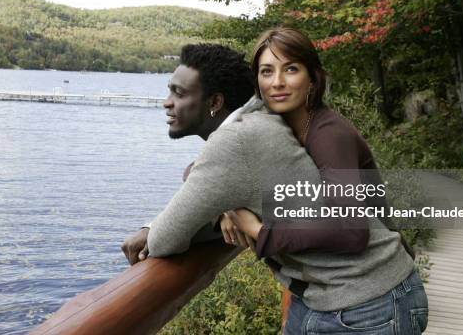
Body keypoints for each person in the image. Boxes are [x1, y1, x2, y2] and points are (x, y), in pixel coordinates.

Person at [144, 28, 428, 334]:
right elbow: (213, 171)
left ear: (312, 78)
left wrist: (258, 231)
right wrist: (225, 207)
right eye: (267, 71)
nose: (277, 82)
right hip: (326, 298)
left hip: (372, 299)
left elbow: (352, 230)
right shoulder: (274, 122)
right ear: (256, 81)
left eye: (290, 69)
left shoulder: (328, 133)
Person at [121, 42, 254, 264]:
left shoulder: (229, 148)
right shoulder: (253, 125)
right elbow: (202, 178)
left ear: (215, 102)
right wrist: (221, 210)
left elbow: (164, 240)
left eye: (179, 93)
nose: (167, 103)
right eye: (169, 90)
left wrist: (151, 231)